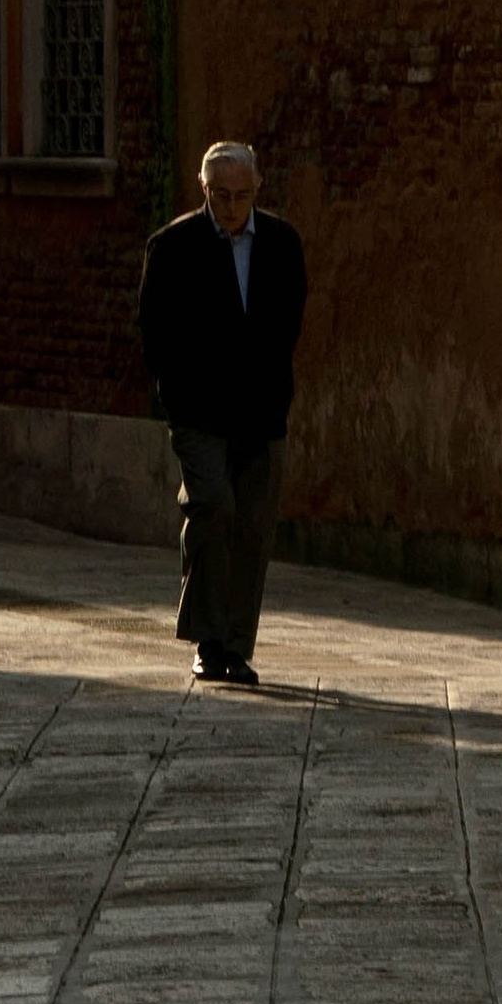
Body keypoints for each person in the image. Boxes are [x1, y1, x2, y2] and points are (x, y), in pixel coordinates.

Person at [135, 139, 307, 688]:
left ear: (257, 190)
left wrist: (275, 393)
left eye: (242, 196)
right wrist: (176, 398)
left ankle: (235, 645)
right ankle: (208, 643)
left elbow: (288, 324)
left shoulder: (281, 243)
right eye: (222, 196)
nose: (232, 208)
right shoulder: (172, 246)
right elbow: (154, 331)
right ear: (203, 190)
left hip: (261, 413)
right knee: (213, 507)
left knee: (253, 528)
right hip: (199, 412)